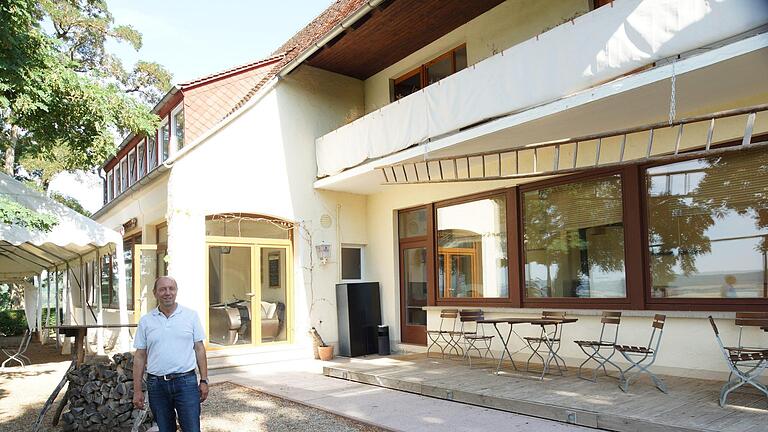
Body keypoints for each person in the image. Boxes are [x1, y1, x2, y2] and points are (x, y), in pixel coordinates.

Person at [132, 276, 208, 432]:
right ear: (155, 293)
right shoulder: (146, 321)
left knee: (192, 429)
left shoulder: (191, 316)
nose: (167, 293)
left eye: (171, 288)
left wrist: (204, 380)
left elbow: (199, 348)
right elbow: (140, 356)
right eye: (162, 289)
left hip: (186, 383)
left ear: (176, 291)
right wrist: (137, 390)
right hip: (157, 385)